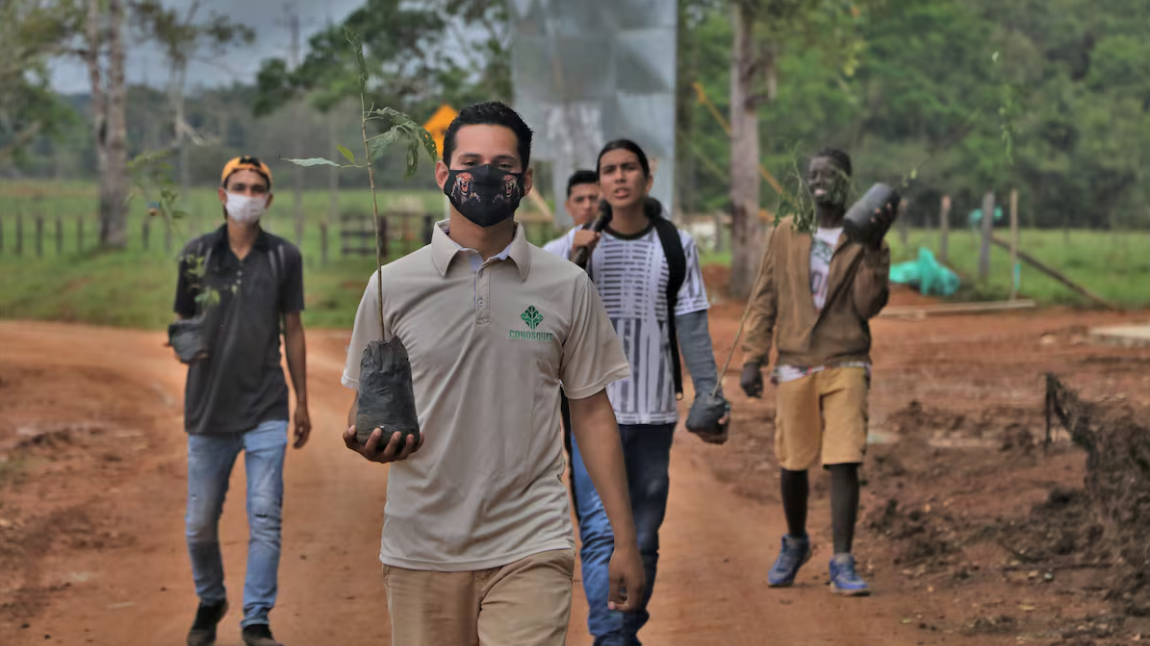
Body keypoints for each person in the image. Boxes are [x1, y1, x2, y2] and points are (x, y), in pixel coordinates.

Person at [340, 101, 646, 646]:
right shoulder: (392, 287)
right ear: (443, 174)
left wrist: (625, 539)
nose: (485, 176)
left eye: (503, 166)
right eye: (470, 161)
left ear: (526, 181)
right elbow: (366, 405)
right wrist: (369, 440)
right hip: (421, 546)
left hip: (531, 539)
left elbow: (593, 412)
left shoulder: (566, 287)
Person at [548, 139, 731, 645]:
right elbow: (537, 322)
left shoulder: (676, 245)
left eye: (630, 168)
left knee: (643, 538)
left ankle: (625, 628)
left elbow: (691, 326)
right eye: (610, 170)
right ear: (600, 182)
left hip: (653, 414)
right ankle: (612, 637)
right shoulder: (567, 249)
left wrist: (710, 397)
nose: (620, 177)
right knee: (603, 532)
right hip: (590, 412)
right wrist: (579, 256)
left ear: (647, 180)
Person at [739, 148, 895, 597]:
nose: (820, 181)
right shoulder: (787, 232)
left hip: (846, 359)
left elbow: (869, 306)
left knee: (844, 459)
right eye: (814, 174)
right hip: (794, 361)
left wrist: (873, 250)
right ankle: (796, 542)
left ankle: (843, 559)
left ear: (848, 180)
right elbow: (765, 296)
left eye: (830, 174)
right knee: (792, 461)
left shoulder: (864, 236)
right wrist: (753, 358)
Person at [174, 156, 310, 646]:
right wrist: (187, 342)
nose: (247, 195)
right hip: (208, 411)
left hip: (266, 407)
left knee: (265, 514)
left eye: (256, 188)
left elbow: (292, 329)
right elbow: (181, 321)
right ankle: (211, 598)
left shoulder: (283, 258)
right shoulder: (195, 256)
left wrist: (302, 402)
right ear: (221, 193)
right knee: (199, 523)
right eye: (239, 186)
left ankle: (256, 617)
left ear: (268, 200)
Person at [542, 169, 603, 472]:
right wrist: (573, 251)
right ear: (569, 207)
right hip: (571, 373)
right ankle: (590, 515)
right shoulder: (551, 253)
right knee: (581, 453)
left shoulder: (617, 249)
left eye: (594, 198)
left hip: (612, 367)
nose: (588, 205)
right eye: (581, 199)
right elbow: (543, 304)